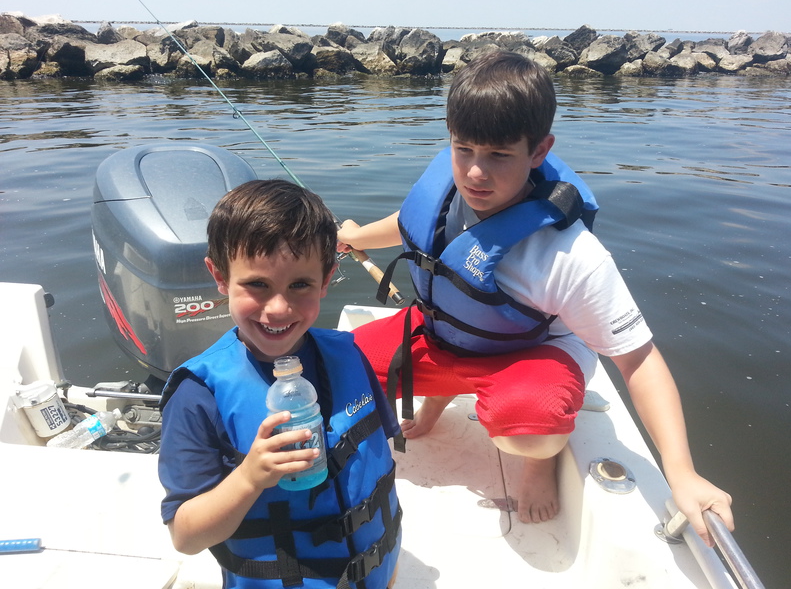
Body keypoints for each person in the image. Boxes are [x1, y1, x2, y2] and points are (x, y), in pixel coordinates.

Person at [337, 49, 733, 546]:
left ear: (539, 151)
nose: (476, 172)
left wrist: (682, 474)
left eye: (500, 155)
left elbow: (638, 359)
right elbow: (409, 224)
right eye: (464, 149)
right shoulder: (449, 193)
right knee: (337, 370)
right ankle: (440, 394)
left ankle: (541, 461)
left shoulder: (569, 254)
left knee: (529, 429)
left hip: (525, 353)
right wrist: (354, 237)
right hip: (442, 335)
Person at [158, 180, 401, 589]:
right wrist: (249, 477)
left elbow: (374, 456)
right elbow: (185, 536)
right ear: (219, 276)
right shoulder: (197, 395)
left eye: (300, 285)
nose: (278, 308)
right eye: (257, 284)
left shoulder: (348, 354)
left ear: (326, 279)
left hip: (380, 571)